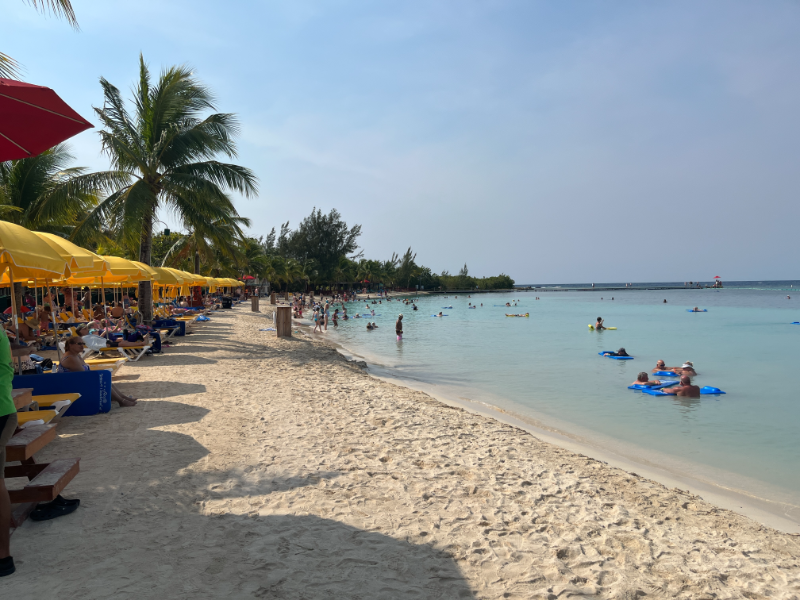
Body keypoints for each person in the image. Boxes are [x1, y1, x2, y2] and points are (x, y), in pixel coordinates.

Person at [58, 337, 138, 406]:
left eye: (83, 343)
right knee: (103, 379)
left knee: (105, 378)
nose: (82, 345)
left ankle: (123, 398)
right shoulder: (70, 359)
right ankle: (121, 401)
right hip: (72, 385)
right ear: (70, 345)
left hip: (77, 381)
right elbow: (84, 375)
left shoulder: (76, 356)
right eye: (79, 343)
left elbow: (85, 373)